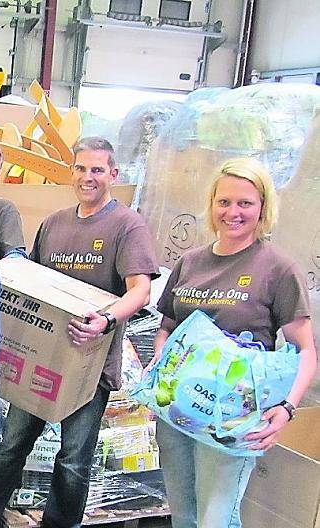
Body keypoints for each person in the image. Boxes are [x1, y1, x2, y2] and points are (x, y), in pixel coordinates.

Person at [0, 137, 159, 528]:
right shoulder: (55, 223)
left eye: (97, 170)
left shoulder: (127, 225)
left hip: (90, 365)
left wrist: (105, 321)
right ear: (71, 172)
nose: (87, 177)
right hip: (42, 359)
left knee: (74, 458)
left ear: (113, 174)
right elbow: (30, 283)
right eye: (80, 168)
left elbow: (140, 290)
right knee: (10, 446)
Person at [150, 158, 316, 528]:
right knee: (183, 516)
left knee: (215, 520)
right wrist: (160, 366)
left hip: (234, 418)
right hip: (176, 410)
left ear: (263, 208)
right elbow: (167, 328)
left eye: (245, 203)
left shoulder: (278, 269)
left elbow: (306, 351)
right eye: (224, 202)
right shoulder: (190, 262)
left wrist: (287, 407)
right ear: (212, 205)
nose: (233, 212)